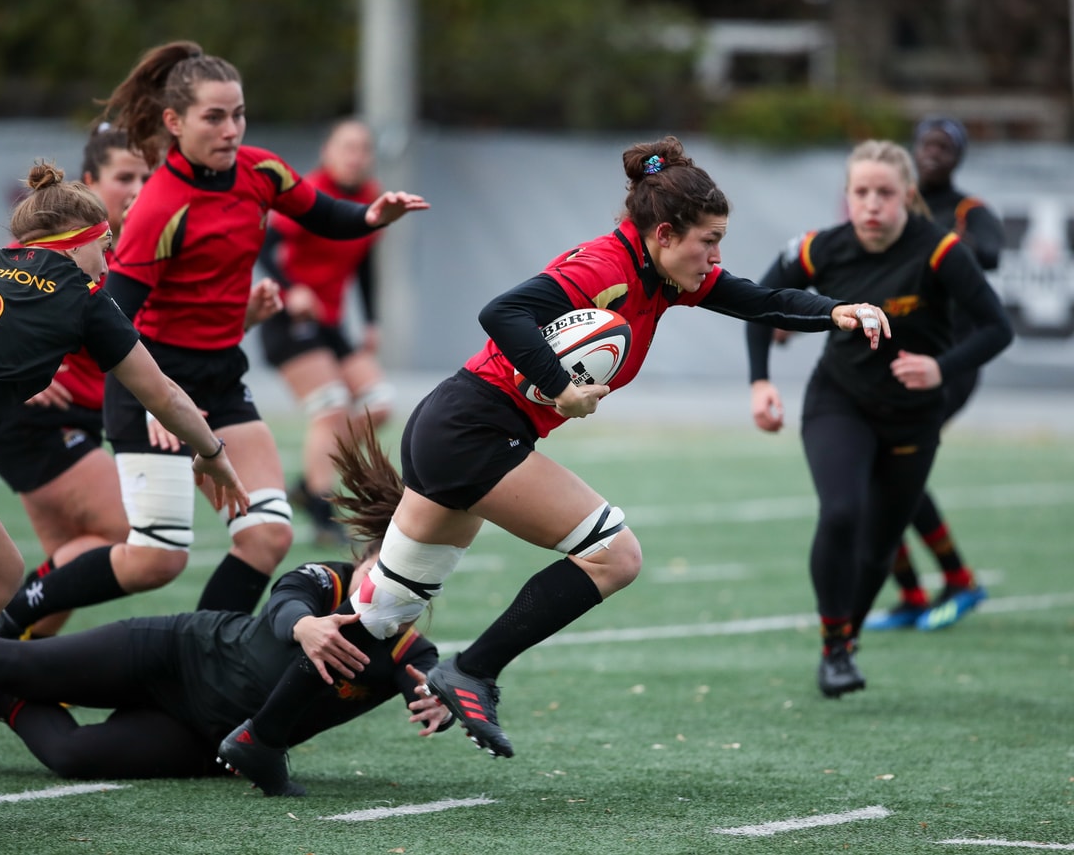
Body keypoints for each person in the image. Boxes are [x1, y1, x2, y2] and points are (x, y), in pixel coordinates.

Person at [212, 135, 893, 795]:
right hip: (473, 429)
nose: (716, 255)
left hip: (456, 426)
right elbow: (501, 311)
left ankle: (260, 738)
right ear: (663, 235)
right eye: (708, 240)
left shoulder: (666, 276)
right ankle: (474, 670)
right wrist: (561, 385)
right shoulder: (606, 267)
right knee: (614, 554)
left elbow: (764, 298)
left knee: (383, 613)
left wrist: (839, 311)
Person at [0, 41, 429, 641]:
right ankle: (4, 629)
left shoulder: (261, 170)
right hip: (152, 383)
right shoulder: (160, 207)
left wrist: (371, 216)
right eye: (214, 117)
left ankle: (198, 668)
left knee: (268, 535)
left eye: (239, 114)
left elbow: (322, 212)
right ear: (175, 122)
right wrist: (157, 400)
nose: (231, 129)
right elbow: (112, 318)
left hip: (222, 380)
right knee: (156, 559)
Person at [0, 161, 248, 792]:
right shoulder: (83, 300)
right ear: (81, 240)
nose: (111, 257)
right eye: (107, 244)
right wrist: (211, 452)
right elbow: (162, 393)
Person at [0, 418, 451, 795]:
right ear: (370, 561)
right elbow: (283, 604)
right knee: (11, 660)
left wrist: (439, 702)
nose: (397, 593)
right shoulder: (328, 579)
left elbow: (425, 676)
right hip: (177, 654)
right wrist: (305, 628)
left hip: (207, 735)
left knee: (74, 756)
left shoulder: (405, 644)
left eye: (416, 587)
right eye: (388, 573)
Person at [746, 139, 1013, 699]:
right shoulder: (822, 248)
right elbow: (759, 300)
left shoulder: (940, 250)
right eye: (860, 192)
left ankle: (847, 638)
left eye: (884, 193)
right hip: (839, 401)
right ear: (846, 197)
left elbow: (996, 328)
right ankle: (834, 647)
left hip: (913, 419)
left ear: (907, 197)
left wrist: (942, 369)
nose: (871, 204)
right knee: (842, 512)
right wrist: (761, 380)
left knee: (880, 542)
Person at [0, 124, 151, 639]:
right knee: (128, 534)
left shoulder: (131, 245)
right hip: (33, 420)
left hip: (76, 418)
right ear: (90, 182)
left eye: (147, 176)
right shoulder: (61, 244)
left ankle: (1, 668)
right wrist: (27, 361)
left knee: (67, 565)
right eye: (125, 177)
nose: (140, 188)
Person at [865, 116, 1006, 632]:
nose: (933, 153)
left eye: (945, 146)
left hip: (950, 363)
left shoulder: (967, 213)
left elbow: (990, 252)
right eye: (927, 143)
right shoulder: (895, 208)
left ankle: (959, 581)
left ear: (959, 157)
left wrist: (933, 244)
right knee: (873, 473)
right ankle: (914, 594)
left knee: (893, 469)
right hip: (898, 361)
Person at [256, 117, 394, 547]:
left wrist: (371, 321)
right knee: (332, 407)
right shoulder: (308, 192)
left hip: (332, 324)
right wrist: (291, 288)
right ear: (327, 152)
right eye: (346, 147)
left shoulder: (371, 198)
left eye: (363, 149)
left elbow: (365, 262)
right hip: (290, 320)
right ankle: (321, 507)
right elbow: (265, 244)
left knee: (380, 404)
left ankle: (305, 483)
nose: (356, 157)